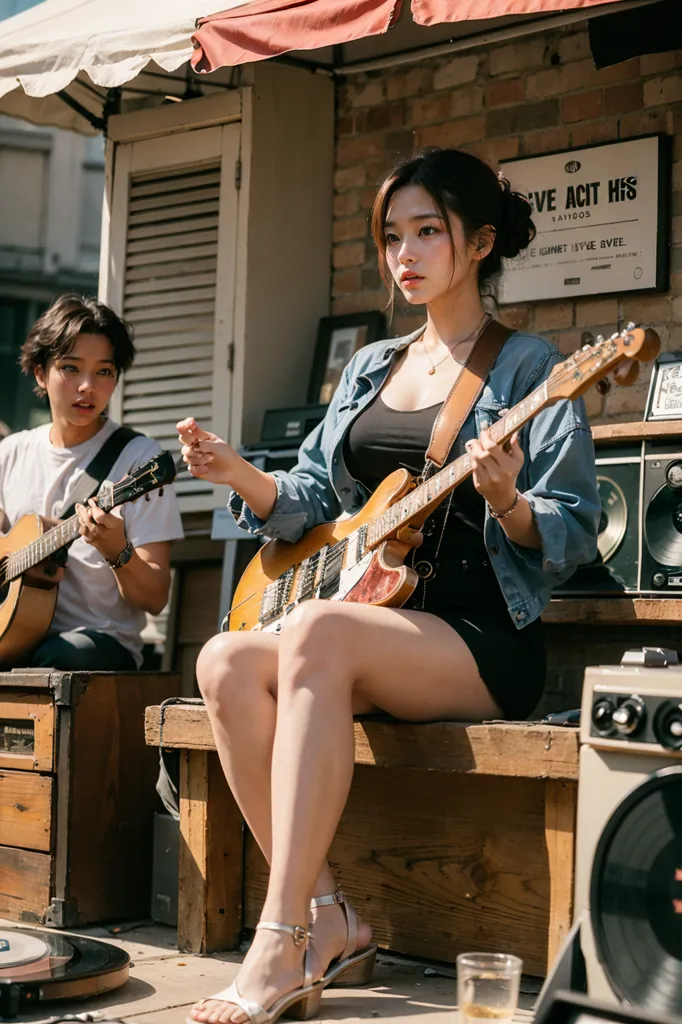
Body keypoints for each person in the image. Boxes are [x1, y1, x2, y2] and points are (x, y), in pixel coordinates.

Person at [176, 147, 600, 1024]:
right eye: (391, 236)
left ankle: (279, 934)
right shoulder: (370, 367)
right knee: (220, 659)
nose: (404, 253)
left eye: (427, 232)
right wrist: (236, 476)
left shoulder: (532, 371)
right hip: (362, 615)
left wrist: (506, 499)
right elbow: (314, 501)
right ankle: (329, 915)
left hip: (478, 638)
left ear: (480, 242)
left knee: (318, 634)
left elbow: (572, 527)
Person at [0, 294, 183, 671]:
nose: (87, 386)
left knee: (52, 659)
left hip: (97, 644)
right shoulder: (11, 453)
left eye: (103, 371)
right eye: (70, 368)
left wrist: (118, 551)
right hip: (15, 635)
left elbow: (155, 597)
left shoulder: (139, 459)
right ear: (40, 372)